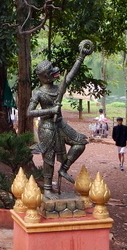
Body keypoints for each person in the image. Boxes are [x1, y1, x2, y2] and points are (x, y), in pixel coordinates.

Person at [28, 40, 92, 193]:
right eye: (50, 71)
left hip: (60, 124)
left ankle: (64, 169)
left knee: (80, 143)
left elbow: (69, 76)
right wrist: (50, 111)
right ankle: (48, 189)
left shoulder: (58, 88)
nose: (54, 73)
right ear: (45, 76)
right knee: (48, 158)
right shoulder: (38, 92)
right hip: (47, 127)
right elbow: (29, 112)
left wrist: (81, 57)